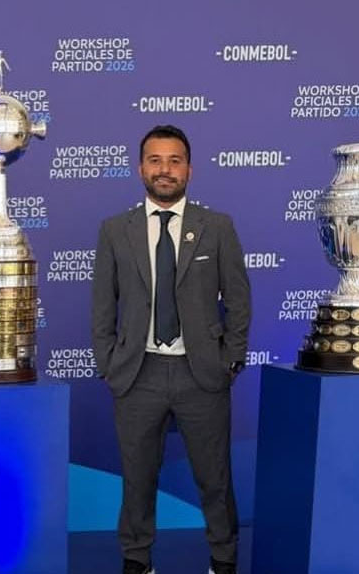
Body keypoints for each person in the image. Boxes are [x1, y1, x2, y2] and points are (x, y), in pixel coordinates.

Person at [91, 125, 251, 574]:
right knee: (137, 479)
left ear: (189, 170)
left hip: (202, 374)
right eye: (155, 160)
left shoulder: (217, 227)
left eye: (174, 161)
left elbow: (239, 299)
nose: (165, 169)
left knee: (214, 478)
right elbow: (102, 305)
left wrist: (229, 360)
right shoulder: (114, 230)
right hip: (137, 374)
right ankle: (137, 560)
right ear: (141, 168)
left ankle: (223, 559)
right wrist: (108, 363)